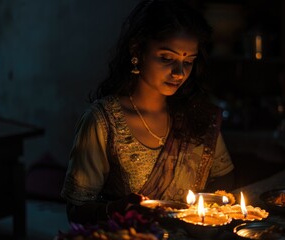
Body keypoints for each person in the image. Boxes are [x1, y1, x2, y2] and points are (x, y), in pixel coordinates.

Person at [61, 0, 234, 225]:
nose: (179, 73)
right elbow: (76, 210)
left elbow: (224, 177)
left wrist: (202, 208)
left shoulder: (197, 116)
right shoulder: (104, 121)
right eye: (166, 58)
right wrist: (117, 209)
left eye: (188, 61)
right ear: (137, 50)